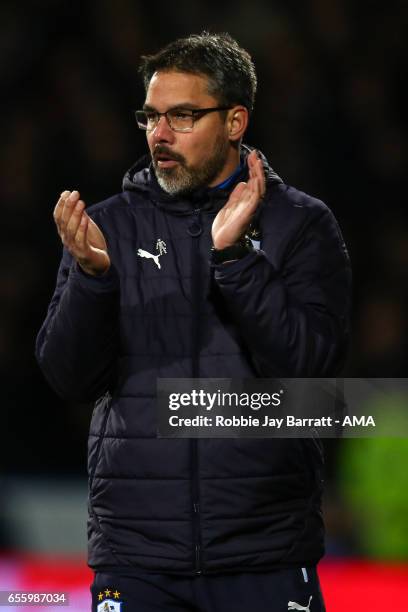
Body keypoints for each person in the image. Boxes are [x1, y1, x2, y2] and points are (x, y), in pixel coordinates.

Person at [36, 32, 351, 612]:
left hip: (264, 549)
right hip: (137, 556)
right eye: (151, 116)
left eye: (182, 116)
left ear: (235, 122)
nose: (159, 135)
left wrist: (236, 262)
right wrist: (92, 280)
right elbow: (68, 379)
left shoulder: (301, 224)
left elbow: (310, 369)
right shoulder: (107, 229)